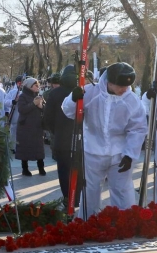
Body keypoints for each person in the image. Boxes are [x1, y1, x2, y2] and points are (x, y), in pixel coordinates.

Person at [62, 62, 146, 218]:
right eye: (121, 86)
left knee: (122, 189)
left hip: (120, 153)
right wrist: (73, 99)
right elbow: (69, 112)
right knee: (91, 190)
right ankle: (87, 222)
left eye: (127, 86)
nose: (125, 89)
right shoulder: (89, 92)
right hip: (92, 150)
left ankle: (125, 222)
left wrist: (130, 154)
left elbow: (138, 129)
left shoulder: (132, 100)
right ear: (110, 82)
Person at [43, 66, 77, 208]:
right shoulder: (82, 91)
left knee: (64, 171)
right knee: (77, 170)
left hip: (62, 137)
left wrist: (55, 131)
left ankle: (68, 198)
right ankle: (76, 197)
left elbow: (47, 118)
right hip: (80, 137)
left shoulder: (55, 93)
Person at [15, 78, 46, 176]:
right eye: (36, 85)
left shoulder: (39, 96)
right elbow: (22, 109)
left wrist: (41, 107)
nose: (38, 87)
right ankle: (25, 169)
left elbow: (45, 109)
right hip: (25, 127)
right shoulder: (23, 96)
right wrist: (33, 104)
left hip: (37, 127)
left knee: (39, 148)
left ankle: (41, 168)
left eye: (38, 85)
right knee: (25, 148)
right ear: (29, 86)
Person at [4, 75, 23, 154]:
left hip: (24, 115)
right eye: (20, 82)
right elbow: (5, 102)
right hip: (15, 115)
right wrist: (13, 102)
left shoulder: (27, 91)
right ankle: (13, 147)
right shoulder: (12, 92)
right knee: (13, 131)